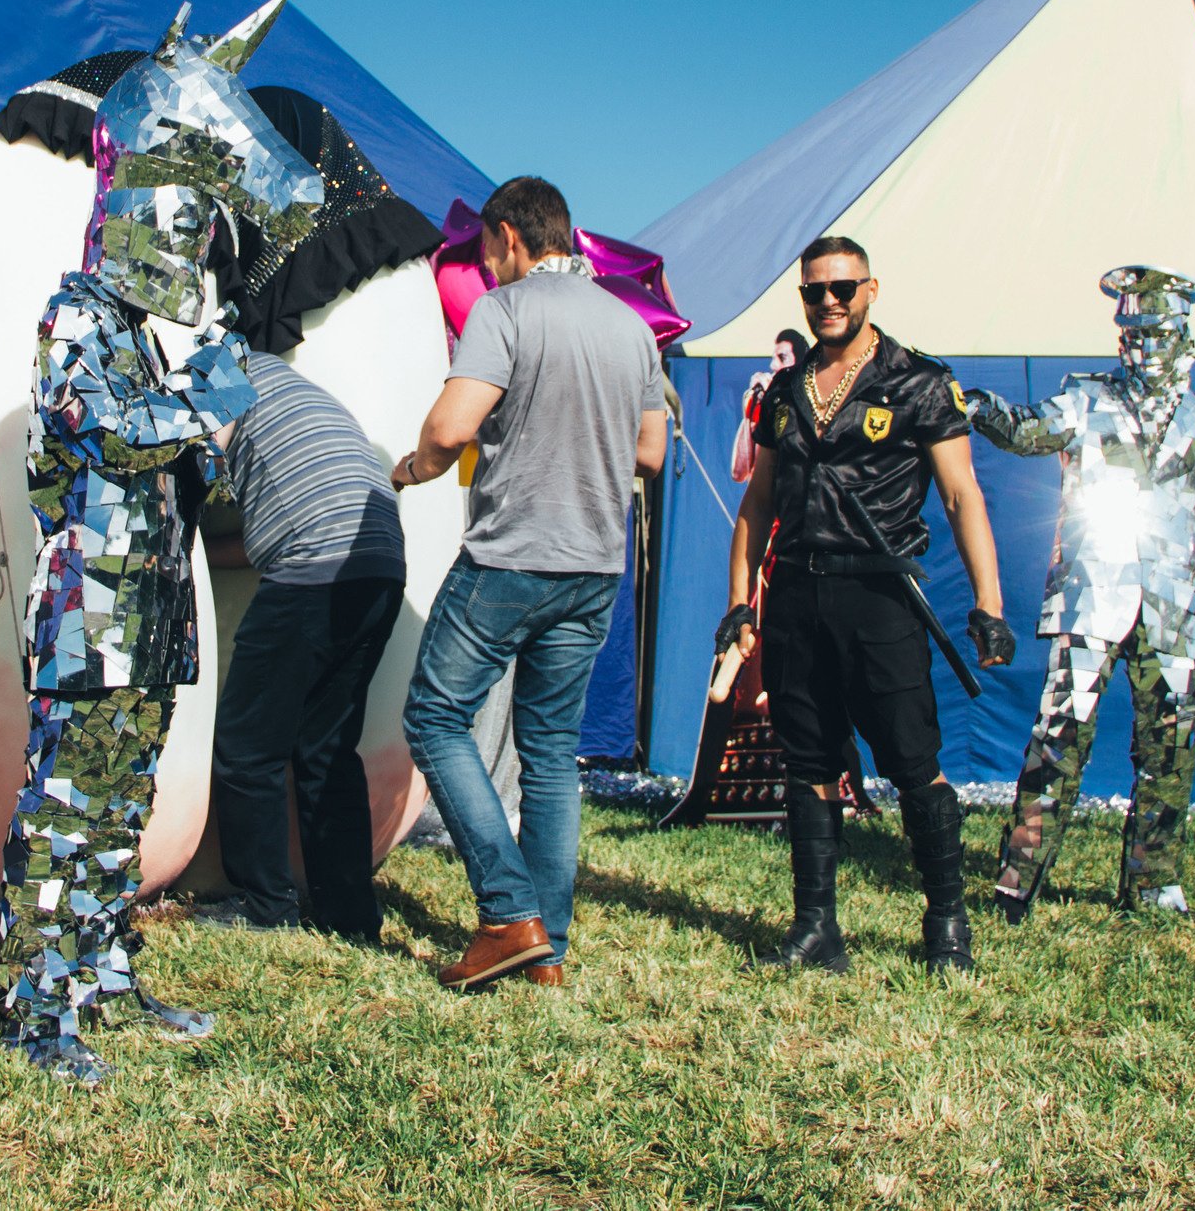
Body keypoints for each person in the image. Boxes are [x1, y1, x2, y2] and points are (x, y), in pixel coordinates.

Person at [0, 28, 321, 1087]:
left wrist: (200, 411)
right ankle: (36, 1007)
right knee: (66, 812)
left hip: (151, 612)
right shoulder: (74, 317)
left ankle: (102, 975)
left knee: (119, 811)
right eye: (184, 218)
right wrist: (206, 394)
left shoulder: (141, 337)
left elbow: (170, 470)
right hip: (87, 614)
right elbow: (103, 433)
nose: (191, 246)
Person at [962, 267, 1195, 920]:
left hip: (1169, 611)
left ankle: (1153, 883)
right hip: (1089, 603)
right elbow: (1025, 429)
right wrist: (975, 406)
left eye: (1158, 334)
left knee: (1171, 748)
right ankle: (1017, 882)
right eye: (1133, 333)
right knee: (1056, 741)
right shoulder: (1086, 399)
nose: (1144, 347)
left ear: (1185, 342)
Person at [393, 176, 666, 991]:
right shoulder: (630, 325)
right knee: (551, 754)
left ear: (510, 236)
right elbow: (651, 453)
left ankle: (508, 911)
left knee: (433, 715)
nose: (484, 265)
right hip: (595, 566)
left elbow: (449, 428)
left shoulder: (504, 311)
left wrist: (414, 468)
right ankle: (546, 943)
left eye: (486, 249)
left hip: (513, 555)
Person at [720, 236, 1012, 976]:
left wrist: (988, 602)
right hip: (796, 593)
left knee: (914, 761)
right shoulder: (786, 392)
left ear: (872, 288)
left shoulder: (918, 382)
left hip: (880, 594)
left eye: (843, 287)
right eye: (815, 291)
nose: (829, 302)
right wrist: (739, 602)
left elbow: (960, 495)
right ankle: (816, 929)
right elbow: (756, 501)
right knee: (809, 758)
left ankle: (946, 921)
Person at [198, 350, 407, 942]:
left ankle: (265, 907)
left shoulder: (216, 373)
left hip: (314, 565)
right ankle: (349, 914)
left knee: (247, 746)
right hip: (379, 565)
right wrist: (203, 561)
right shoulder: (296, 389)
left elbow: (199, 456)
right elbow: (279, 527)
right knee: (327, 750)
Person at [731, 328, 807, 483]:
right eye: (773, 358)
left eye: (782, 358)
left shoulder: (807, 403)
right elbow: (739, 472)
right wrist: (751, 412)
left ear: (798, 364)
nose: (773, 366)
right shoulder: (765, 404)